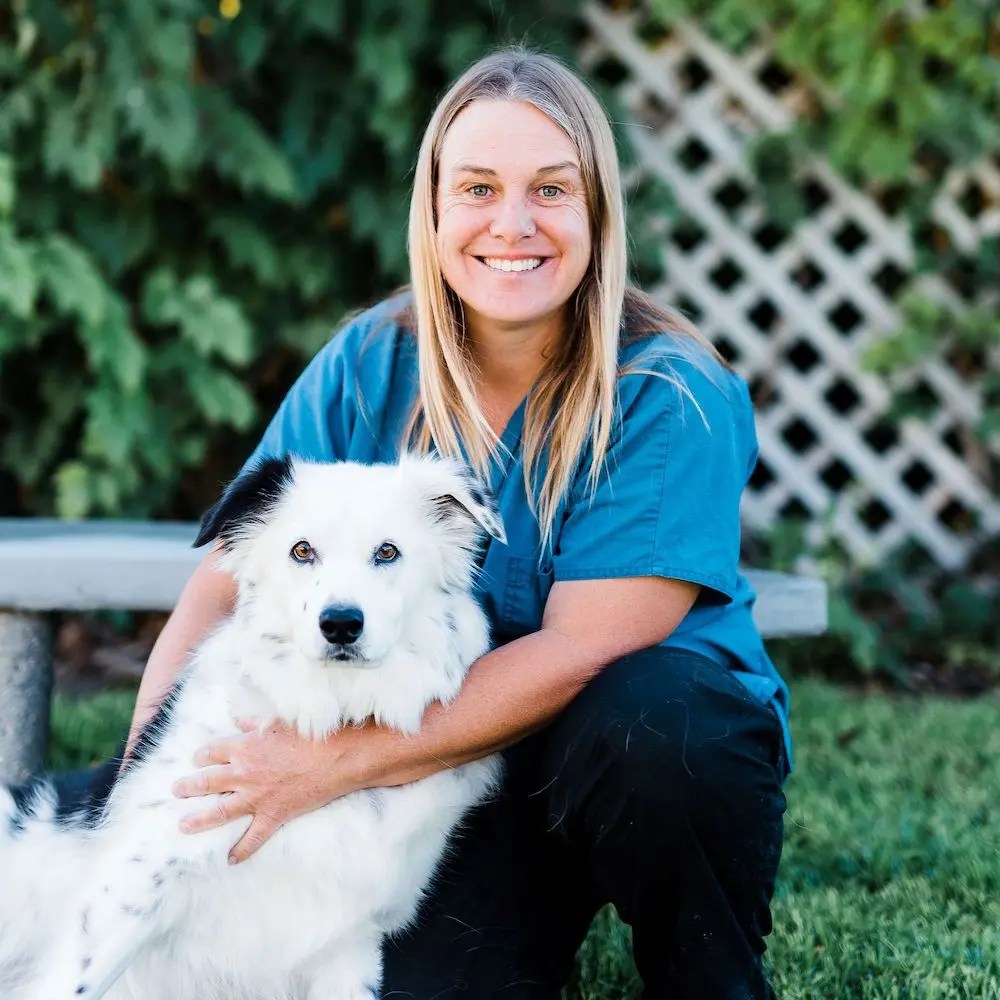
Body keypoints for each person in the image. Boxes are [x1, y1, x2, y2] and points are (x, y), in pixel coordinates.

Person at [106, 48, 790, 999]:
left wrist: (319, 766)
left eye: (552, 189)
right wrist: (143, 790)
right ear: (432, 210)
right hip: (446, 780)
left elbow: (582, 652)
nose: (512, 225)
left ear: (597, 210)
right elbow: (218, 587)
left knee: (658, 720)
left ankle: (706, 975)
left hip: (629, 757)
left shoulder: (671, 393)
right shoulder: (369, 364)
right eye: (477, 188)